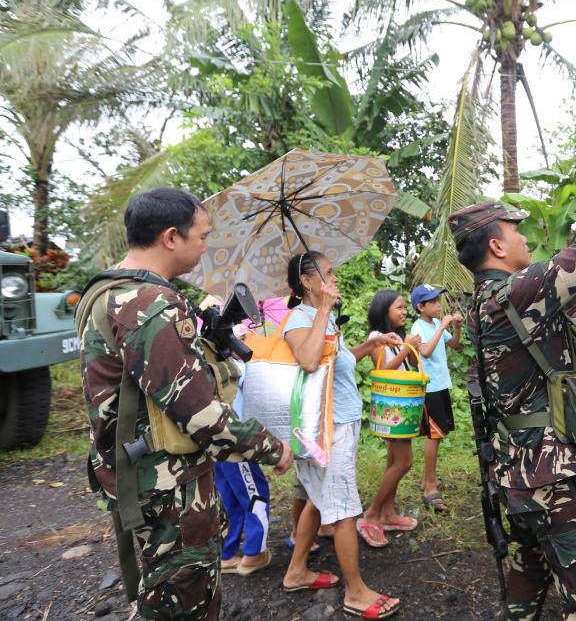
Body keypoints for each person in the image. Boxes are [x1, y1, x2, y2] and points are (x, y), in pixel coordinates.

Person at [77, 186, 293, 621]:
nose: (206, 246)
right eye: (202, 236)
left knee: (163, 591)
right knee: (185, 599)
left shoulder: (106, 292)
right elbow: (201, 416)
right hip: (170, 485)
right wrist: (272, 448)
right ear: (171, 237)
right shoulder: (150, 304)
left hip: (138, 474)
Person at [449, 185, 576, 620]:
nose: (526, 238)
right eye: (516, 231)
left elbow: (535, 352)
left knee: (532, 564)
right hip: (555, 473)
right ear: (496, 245)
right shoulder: (516, 291)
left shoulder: (482, 303)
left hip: (518, 470)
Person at [280, 251, 402, 620]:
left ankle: (297, 570)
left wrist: (373, 345)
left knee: (317, 499)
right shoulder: (299, 318)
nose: (334, 279)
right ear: (307, 281)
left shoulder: (327, 317)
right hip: (326, 430)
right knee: (345, 509)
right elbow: (308, 360)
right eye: (328, 273)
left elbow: (341, 360)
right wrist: (322, 311)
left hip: (338, 423)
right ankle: (356, 592)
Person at [359, 289, 423, 542]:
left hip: (403, 403)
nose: (404, 311)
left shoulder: (398, 339)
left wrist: (410, 348)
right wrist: (406, 350)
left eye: (405, 307)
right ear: (383, 310)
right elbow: (382, 370)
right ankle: (372, 515)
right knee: (404, 462)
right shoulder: (377, 337)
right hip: (392, 405)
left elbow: (414, 365)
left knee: (393, 462)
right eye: (398, 307)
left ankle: (388, 513)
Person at [408, 284, 463, 513]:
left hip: (441, 385)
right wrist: (442, 325)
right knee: (434, 435)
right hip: (429, 388)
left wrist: (457, 327)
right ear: (421, 307)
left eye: (439, 300)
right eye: (433, 302)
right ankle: (429, 487)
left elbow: (455, 345)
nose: (439, 305)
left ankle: (427, 479)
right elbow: (426, 351)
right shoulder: (419, 327)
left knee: (438, 435)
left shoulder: (433, 325)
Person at [216, 361, 273, 576]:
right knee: (255, 494)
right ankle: (254, 553)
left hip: (217, 437)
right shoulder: (233, 364)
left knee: (228, 498)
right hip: (236, 441)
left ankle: (225, 554)